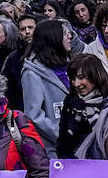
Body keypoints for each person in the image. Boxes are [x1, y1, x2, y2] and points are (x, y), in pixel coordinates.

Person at [19, 19, 73, 155]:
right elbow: (34, 115)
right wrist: (61, 136)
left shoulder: (68, 64)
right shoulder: (32, 73)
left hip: (76, 143)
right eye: (65, 33)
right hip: (54, 148)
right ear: (53, 38)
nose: (70, 36)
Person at [56, 54, 108, 159]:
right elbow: (63, 140)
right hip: (75, 164)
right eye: (72, 78)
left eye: (81, 78)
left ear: (95, 75)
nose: (76, 84)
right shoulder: (71, 101)